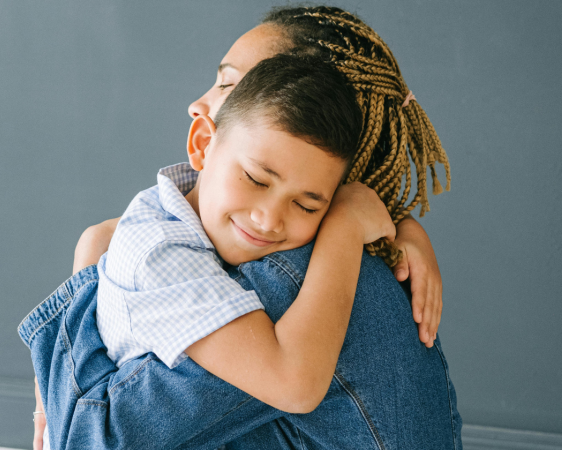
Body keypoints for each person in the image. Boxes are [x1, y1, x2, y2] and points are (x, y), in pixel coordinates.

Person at [23, 5, 460, 450]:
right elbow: (108, 236)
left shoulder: (296, 275)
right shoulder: (278, 229)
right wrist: (402, 226)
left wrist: (62, 366)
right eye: (255, 179)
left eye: (232, 85)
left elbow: (90, 440)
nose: (197, 103)